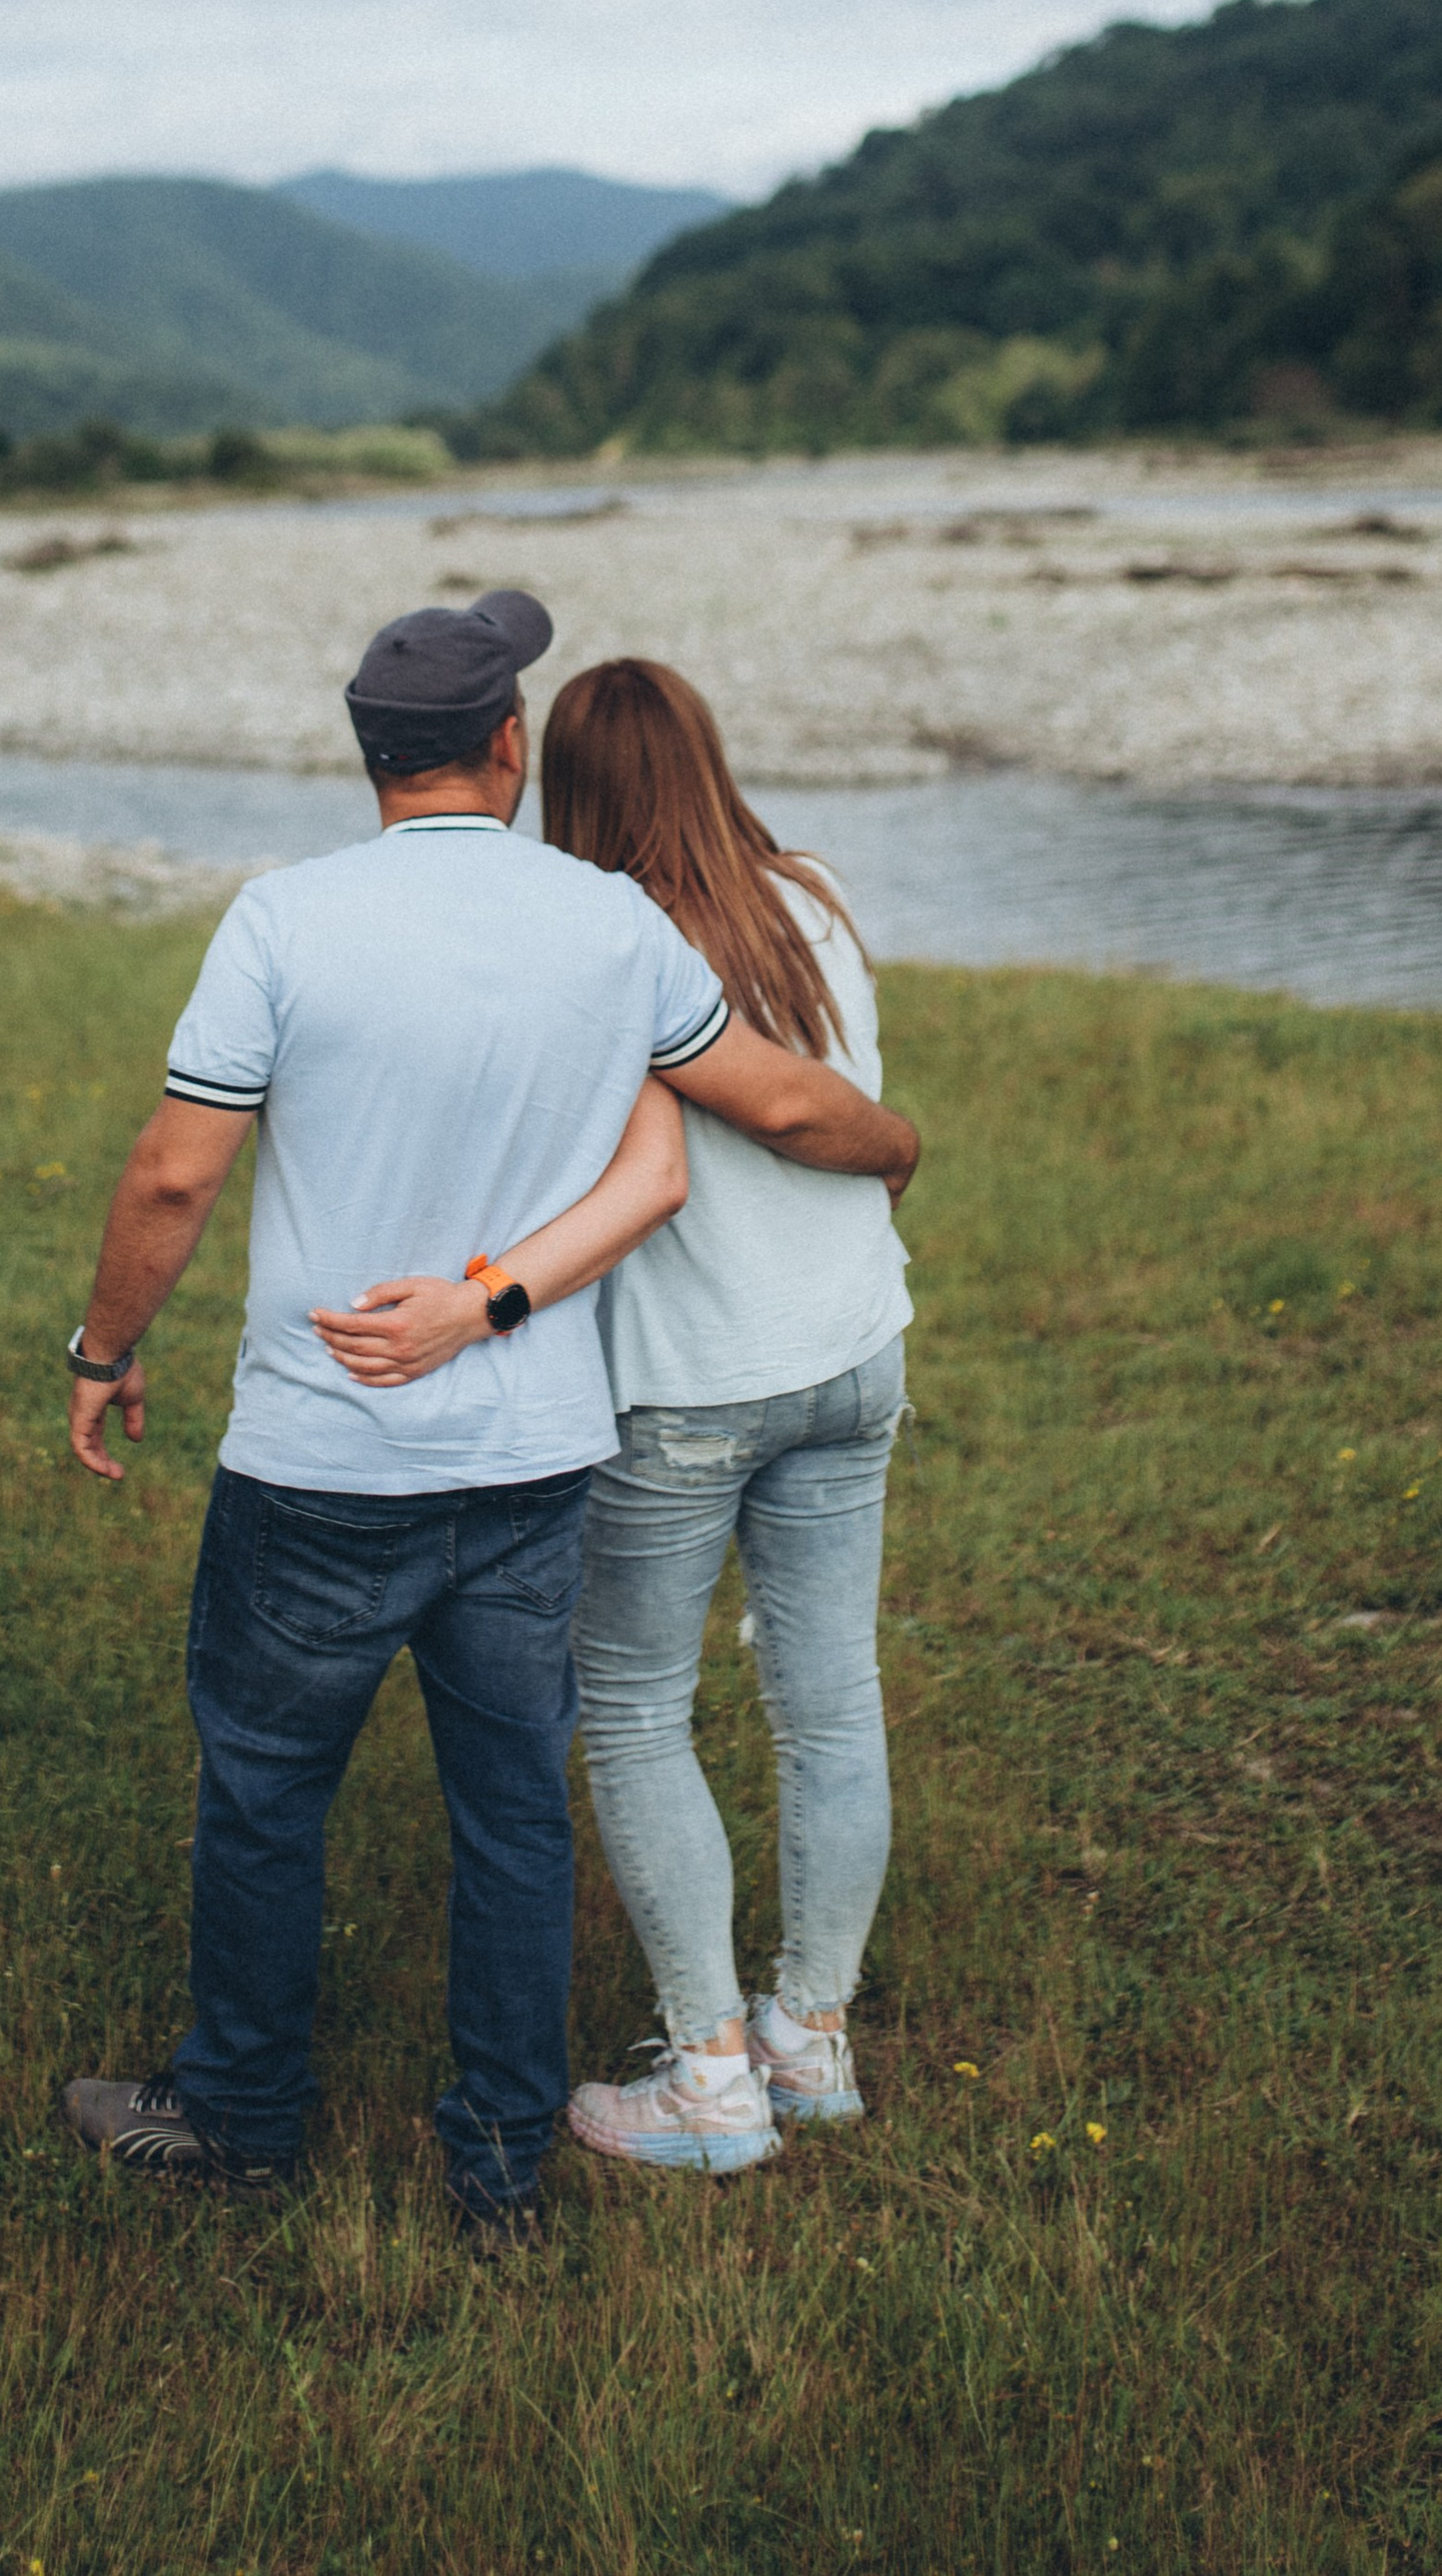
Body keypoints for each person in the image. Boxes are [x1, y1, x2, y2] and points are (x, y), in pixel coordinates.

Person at [57, 588, 921, 2236]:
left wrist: (105, 1350)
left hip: (317, 1459)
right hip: (532, 1465)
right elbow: (728, 1127)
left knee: (263, 1798)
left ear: (370, 759)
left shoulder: (280, 917)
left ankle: (242, 2116)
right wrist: (889, 1148)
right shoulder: (610, 927)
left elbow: (177, 1167)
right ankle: (507, 2163)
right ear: (507, 746)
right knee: (516, 1814)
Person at [543, 657, 919, 2175]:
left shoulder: (595, 943)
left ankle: (708, 2083)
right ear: (705, 758)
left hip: (690, 1383)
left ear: (570, 790)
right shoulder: (808, 893)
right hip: (852, 1354)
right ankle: (810, 2041)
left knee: (637, 1710)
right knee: (829, 1703)